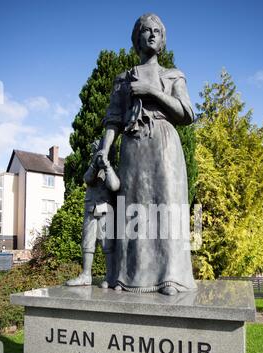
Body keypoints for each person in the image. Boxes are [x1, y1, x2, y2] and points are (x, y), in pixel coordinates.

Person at [87, 13, 196, 295]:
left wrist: (152, 92)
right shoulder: (123, 80)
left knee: (167, 207)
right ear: (137, 38)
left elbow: (186, 113)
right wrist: (104, 153)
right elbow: (112, 120)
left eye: (157, 31)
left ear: (162, 40)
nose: (151, 35)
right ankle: (126, 276)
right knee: (130, 210)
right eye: (146, 31)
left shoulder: (173, 75)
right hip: (133, 148)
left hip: (164, 146)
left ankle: (170, 276)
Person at [66, 140, 120, 287]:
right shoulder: (92, 169)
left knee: (107, 243)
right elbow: (87, 178)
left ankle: (111, 276)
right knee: (87, 242)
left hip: (106, 210)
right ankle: (86, 275)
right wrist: (95, 164)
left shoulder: (113, 169)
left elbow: (114, 186)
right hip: (91, 208)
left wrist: (107, 166)